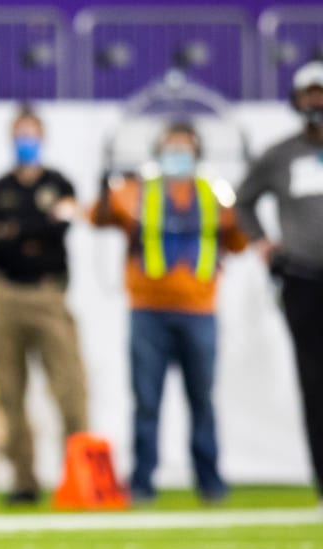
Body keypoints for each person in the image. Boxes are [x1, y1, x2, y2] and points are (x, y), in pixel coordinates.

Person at [91, 120, 247, 504]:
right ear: (158, 151)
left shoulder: (216, 194)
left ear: (197, 152)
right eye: (170, 146)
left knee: (202, 400)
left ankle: (210, 482)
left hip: (199, 310)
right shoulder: (138, 191)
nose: (177, 154)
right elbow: (99, 215)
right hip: (148, 311)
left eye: (184, 146)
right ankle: (142, 481)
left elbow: (239, 239)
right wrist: (105, 181)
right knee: (146, 400)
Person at [0, 105, 87, 505]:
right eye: (20, 133)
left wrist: (14, 230)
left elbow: (62, 225)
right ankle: (24, 480)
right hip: (4, 295)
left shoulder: (60, 182)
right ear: (11, 137)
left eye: (32, 133)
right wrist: (35, 225)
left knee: (71, 389)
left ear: (43, 137)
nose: (26, 141)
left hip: (48, 293)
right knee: (9, 392)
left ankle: (81, 475)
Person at [234, 60, 323, 502]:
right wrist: (262, 244)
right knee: (314, 381)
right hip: (304, 278)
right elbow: (242, 202)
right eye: (310, 93)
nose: (317, 102)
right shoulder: (281, 154)